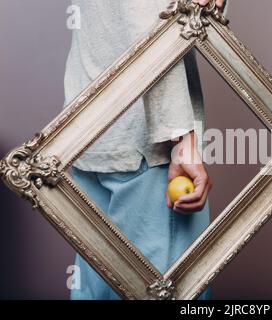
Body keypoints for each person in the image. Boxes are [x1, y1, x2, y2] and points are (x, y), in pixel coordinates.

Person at [63, 0, 226, 300]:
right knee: (173, 290)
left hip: (90, 132)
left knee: (95, 289)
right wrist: (181, 140)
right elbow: (151, 29)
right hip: (147, 139)